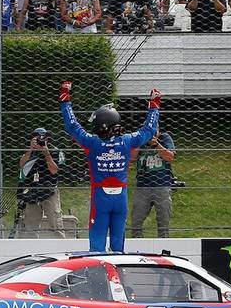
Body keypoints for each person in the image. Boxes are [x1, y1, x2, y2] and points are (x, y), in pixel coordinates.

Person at [58, 80, 161, 253]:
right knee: (118, 247)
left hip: (100, 198)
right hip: (121, 199)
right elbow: (148, 130)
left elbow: (72, 126)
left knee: (97, 247)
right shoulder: (128, 141)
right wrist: (154, 106)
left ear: (101, 126)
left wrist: (65, 99)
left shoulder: (92, 143)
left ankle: (98, 278)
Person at [14, 127, 65, 237]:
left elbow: (54, 170)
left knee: (56, 224)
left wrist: (47, 154)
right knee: (30, 227)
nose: (40, 142)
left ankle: (63, 248)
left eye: (42, 139)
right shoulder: (29, 152)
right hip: (31, 190)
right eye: (36, 139)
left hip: (49, 190)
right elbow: (21, 165)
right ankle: (31, 250)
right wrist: (31, 149)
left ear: (48, 140)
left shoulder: (54, 151)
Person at [128, 130, 176, 239]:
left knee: (163, 220)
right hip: (142, 186)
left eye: (155, 130)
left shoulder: (164, 138)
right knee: (136, 220)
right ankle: (137, 247)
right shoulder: (140, 139)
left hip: (161, 185)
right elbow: (131, 158)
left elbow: (170, 157)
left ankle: (163, 246)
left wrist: (156, 144)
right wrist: (141, 141)